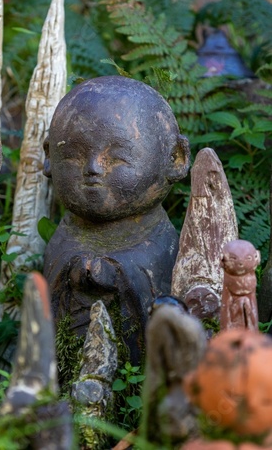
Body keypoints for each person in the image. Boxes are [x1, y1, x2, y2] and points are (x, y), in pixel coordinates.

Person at [43, 75, 190, 362]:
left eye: (117, 158)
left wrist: (117, 272)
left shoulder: (160, 242)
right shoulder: (65, 236)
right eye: (73, 156)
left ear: (176, 159)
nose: (93, 168)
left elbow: (156, 276)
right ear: (48, 156)